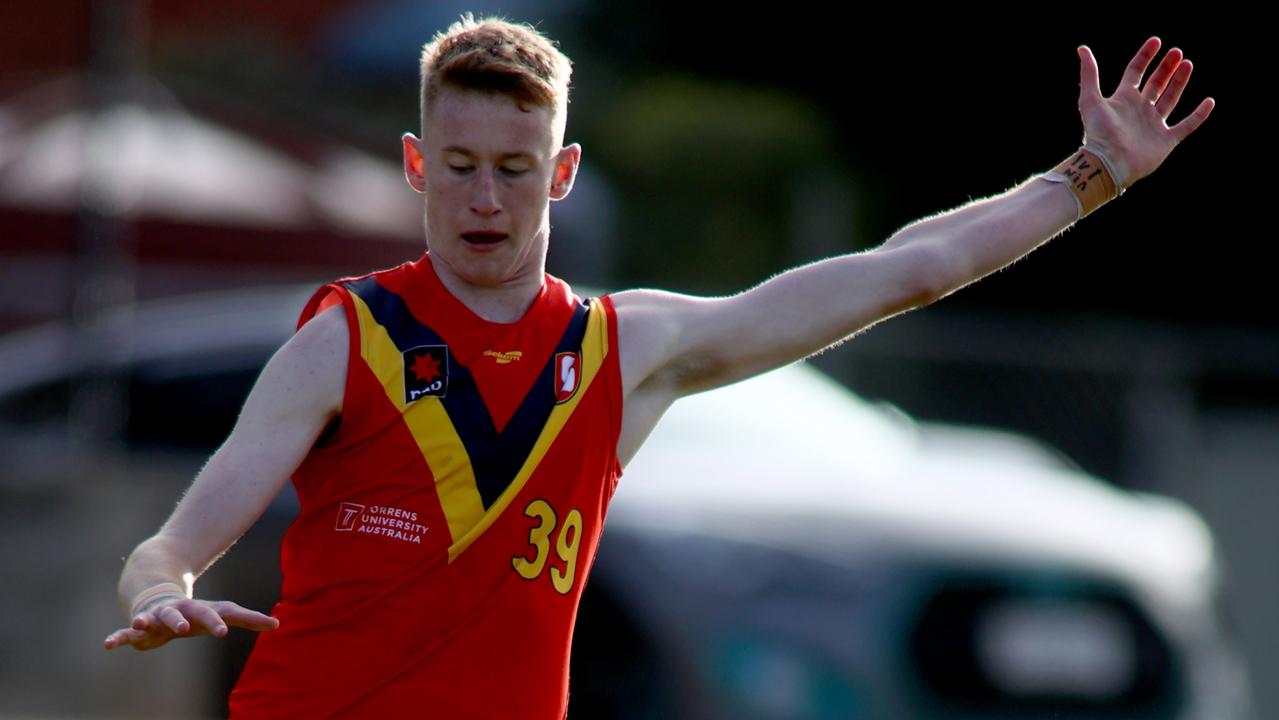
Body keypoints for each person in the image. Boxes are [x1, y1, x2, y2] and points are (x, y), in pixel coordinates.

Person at [104, 15, 1214, 718]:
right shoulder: (347, 337)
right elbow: (179, 538)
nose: (484, 198)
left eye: (513, 168)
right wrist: (159, 588)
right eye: (457, 166)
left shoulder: (626, 349)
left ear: (564, 172)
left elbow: (903, 271)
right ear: (414, 164)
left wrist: (1087, 176)